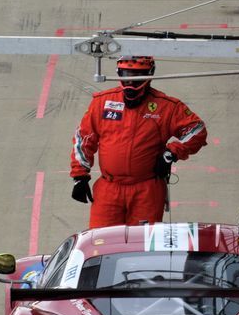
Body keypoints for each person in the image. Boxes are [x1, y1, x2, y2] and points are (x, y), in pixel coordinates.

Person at [69, 56, 208, 228]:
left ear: (149, 76)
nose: (131, 83)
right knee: (101, 243)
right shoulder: (102, 103)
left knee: (142, 247)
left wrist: (171, 153)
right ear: (119, 74)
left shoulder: (166, 107)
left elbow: (197, 130)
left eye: (137, 77)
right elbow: (83, 138)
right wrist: (80, 177)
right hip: (108, 190)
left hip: (147, 191)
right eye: (127, 75)